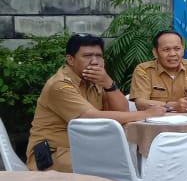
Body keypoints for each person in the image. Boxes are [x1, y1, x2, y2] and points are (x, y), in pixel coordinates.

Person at [27, 33, 166, 172]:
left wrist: (109, 84)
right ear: (70, 59)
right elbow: (90, 117)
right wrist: (145, 114)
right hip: (52, 154)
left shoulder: (97, 80)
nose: (95, 61)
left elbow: (123, 111)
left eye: (99, 56)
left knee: (134, 165)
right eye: (87, 56)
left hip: (84, 148)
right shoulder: (60, 85)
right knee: (112, 170)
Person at [129, 30, 187, 113]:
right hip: (156, 122)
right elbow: (140, 103)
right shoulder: (144, 70)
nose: (172, 54)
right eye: (166, 49)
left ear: (183, 50)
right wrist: (172, 106)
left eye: (177, 49)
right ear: (155, 52)